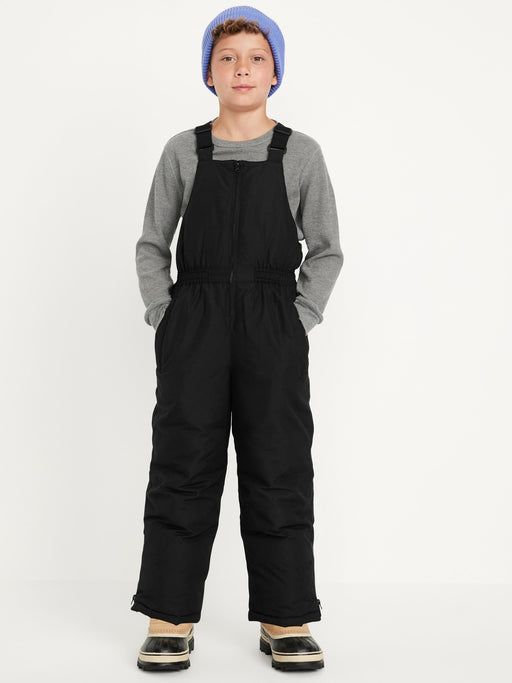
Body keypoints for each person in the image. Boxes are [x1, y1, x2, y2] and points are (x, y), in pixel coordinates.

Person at [130, 4, 343, 672]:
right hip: (193, 322)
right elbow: (152, 244)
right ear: (209, 73)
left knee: (279, 466)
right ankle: (169, 615)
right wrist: (166, 315)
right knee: (182, 465)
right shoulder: (183, 150)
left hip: (272, 323)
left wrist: (298, 317)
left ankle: (285, 616)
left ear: (275, 72)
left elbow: (327, 251)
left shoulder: (300, 153)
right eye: (227, 58)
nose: (242, 69)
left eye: (256, 58)